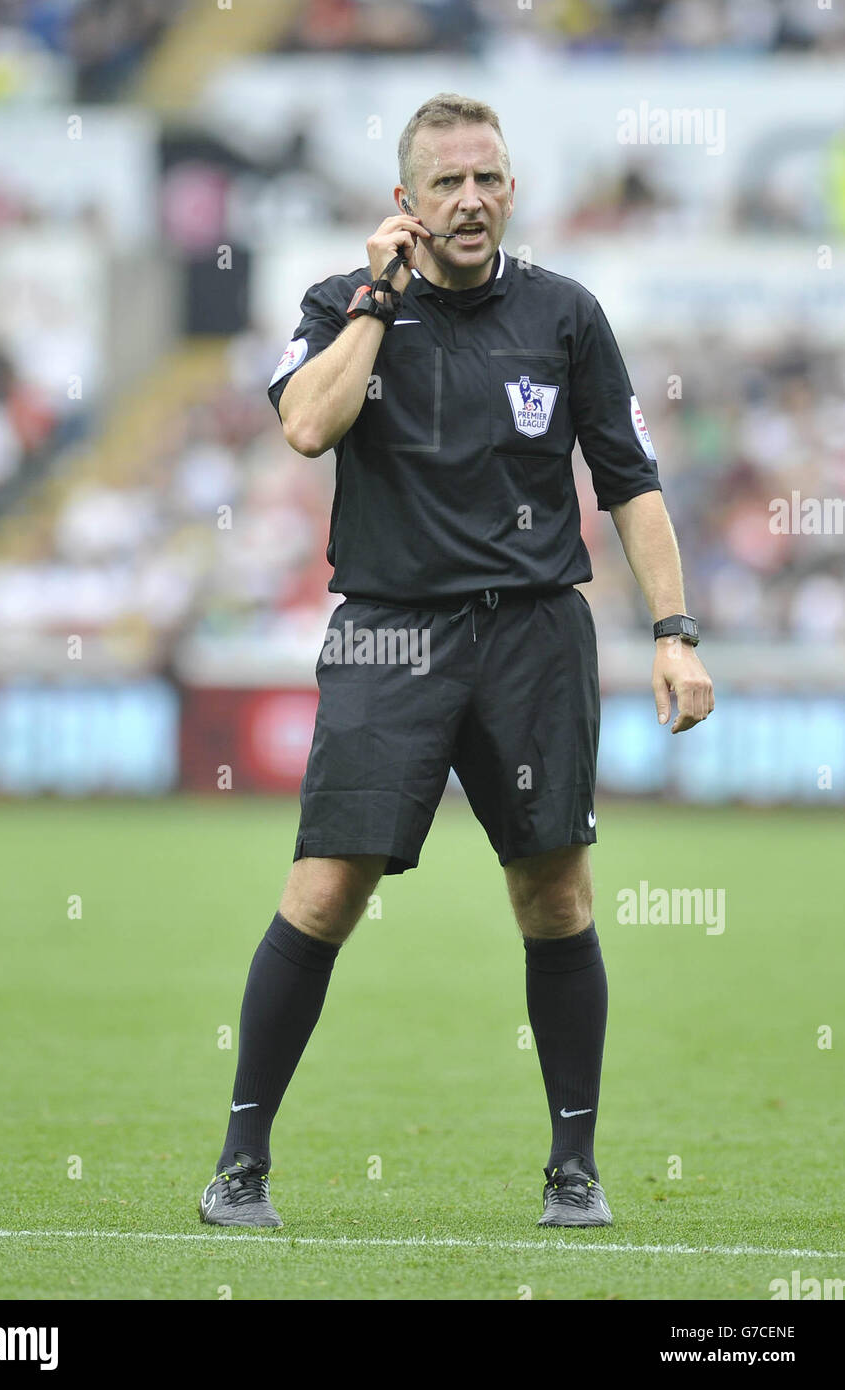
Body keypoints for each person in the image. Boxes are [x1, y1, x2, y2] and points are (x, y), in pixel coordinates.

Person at [199, 93, 714, 1230]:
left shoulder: (565, 315)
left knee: (553, 892)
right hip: (391, 629)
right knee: (327, 887)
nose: (470, 200)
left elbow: (627, 481)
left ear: (511, 189)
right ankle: (240, 1167)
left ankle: (571, 1170)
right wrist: (379, 299)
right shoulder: (340, 305)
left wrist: (673, 634)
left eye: (487, 178)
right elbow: (305, 427)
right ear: (406, 203)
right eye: (446, 183)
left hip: (533, 633)